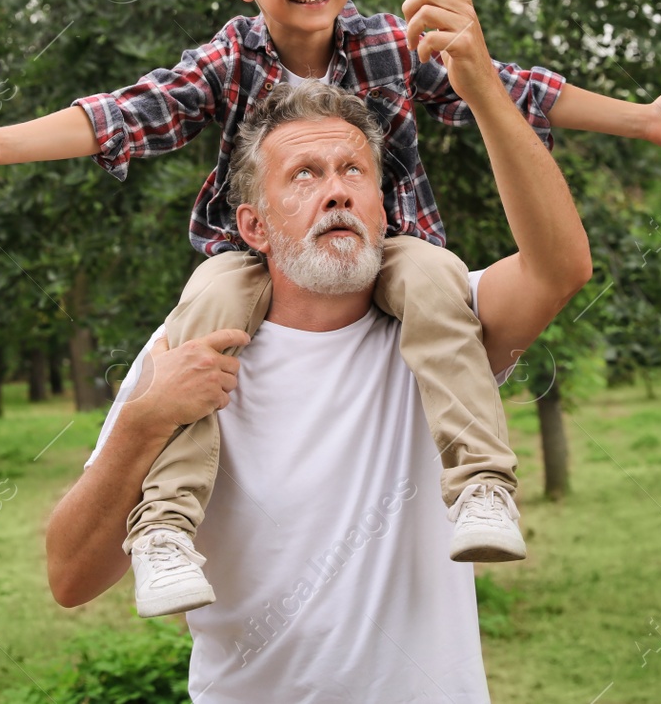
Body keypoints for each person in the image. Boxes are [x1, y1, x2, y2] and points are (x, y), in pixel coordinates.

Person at [0, 0, 661, 617]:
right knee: (207, 305)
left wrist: (641, 117)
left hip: (387, 247)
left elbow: (513, 89)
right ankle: (163, 525)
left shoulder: (387, 46)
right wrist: (1, 143)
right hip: (254, 258)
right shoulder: (230, 58)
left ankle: (480, 482)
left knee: (436, 277)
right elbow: (128, 111)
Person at [44, 66, 593, 702]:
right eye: (305, 175)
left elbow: (562, 267)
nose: (336, 192)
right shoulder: (187, 349)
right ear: (252, 227)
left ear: (382, 209)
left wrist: (481, 88)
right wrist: (145, 419)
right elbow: (70, 578)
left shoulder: (443, 316)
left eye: (352, 171)